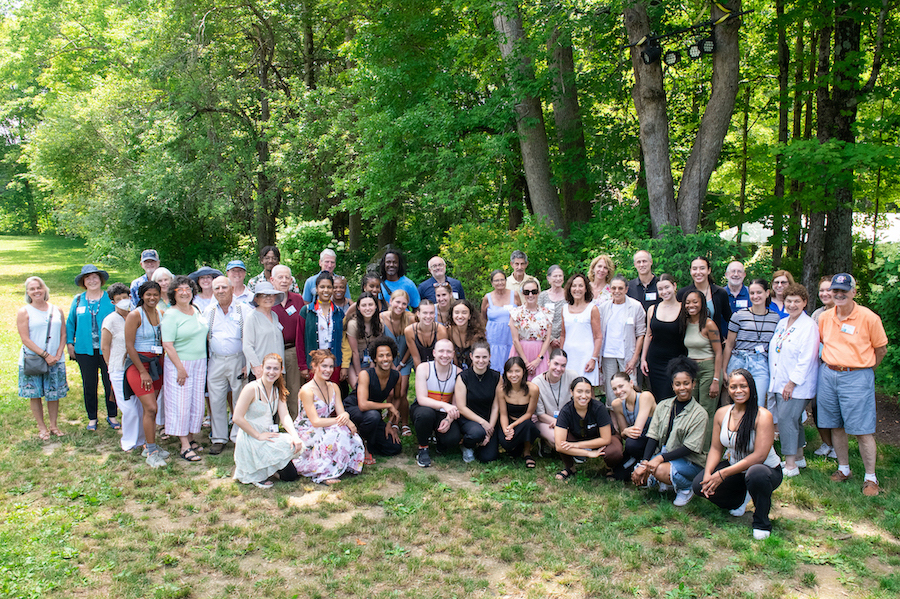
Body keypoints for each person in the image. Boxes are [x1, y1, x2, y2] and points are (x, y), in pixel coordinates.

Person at [817, 273, 887, 496]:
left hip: (857, 376)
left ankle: (870, 477)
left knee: (862, 429)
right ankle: (843, 468)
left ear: (854, 292)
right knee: (835, 424)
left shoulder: (869, 318)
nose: (838, 294)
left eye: (843, 291)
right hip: (828, 374)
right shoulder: (825, 317)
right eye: (835, 290)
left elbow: (881, 349)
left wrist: (865, 371)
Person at [692, 369, 781, 540]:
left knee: (756, 474)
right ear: (728, 388)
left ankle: (761, 521)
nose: (738, 391)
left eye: (743, 386)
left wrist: (722, 473)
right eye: (733, 387)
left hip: (765, 470)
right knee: (699, 486)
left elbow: (759, 456)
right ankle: (740, 499)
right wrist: (710, 474)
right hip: (736, 468)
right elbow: (716, 448)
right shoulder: (722, 413)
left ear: (751, 388)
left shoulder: (763, 416)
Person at [632, 357, 709, 507]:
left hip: (690, 461)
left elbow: (689, 448)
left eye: (686, 383)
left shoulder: (700, 414)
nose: (682, 388)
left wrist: (659, 459)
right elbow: (653, 436)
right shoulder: (663, 405)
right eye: (678, 384)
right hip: (666, 454)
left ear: (693, 384)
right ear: (672, 386)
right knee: (639, 474)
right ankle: (664, 481)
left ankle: (686, 488)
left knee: (658, 469)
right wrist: (644, 462)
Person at [768, 283, 819, 477]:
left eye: (797, 301)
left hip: (796, 385)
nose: (792, 305)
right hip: (780, 381)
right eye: (789, 301)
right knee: (794, 420)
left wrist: (791, 383)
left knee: (786, 420)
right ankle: (799, 457)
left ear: (804, 302)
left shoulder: (808, 326)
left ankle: (790, 465)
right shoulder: (783, 323)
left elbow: (807, 358)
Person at [232, 353, 304, 488]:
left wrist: (295, 436)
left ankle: (270, 469)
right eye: (268, 368)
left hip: (269, 436)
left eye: (275, 369)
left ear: (281, 370)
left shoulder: (278, 390)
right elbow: (237, 417)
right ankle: (260, 471)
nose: (271, 372)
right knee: (288, 471)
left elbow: (285, 416)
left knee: (291, 475)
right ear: (262, 368)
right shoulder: (251, 388)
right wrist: (258, 435)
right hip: (252, 437)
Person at [292, 349, 365, 484]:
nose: (328, 370)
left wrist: (346, 416)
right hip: (308, 430)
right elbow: (315, 421)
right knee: (339, 431)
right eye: (324, 366)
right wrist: (344, 421)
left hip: (326, 425)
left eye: (331, 366)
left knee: (347, 433)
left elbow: (341, 411)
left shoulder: (334, 387)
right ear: (314, 366)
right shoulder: (306, 391)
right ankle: (325, 473)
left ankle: (343, 465)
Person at [161, 276, 209, 462]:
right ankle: (184, 445)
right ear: (173, 293)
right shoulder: (171, 314)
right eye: (179, 289)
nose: (184, 292)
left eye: (187, 288)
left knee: (195, 402)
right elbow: (168, 344)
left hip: (199, 362)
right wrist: (180, 369)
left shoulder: (195, 310)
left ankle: (190, 436)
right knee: (180, 404)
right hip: (180, 363)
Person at [67, 264, 117, 431]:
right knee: (89, 384)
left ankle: (112, 415)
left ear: (100, 279)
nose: (92, 280)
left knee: (109, 382)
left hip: (108, 349)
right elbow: (70, 323)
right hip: (84, 349)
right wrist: (69, 343)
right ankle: (92, 418)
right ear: (84, 281)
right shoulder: (78, 299)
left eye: (95, 277)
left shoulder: (109, 299)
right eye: (88, 278)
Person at [18, 276, 68, 440]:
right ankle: (42, 427)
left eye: (38, 287)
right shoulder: (24, 312)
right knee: (35, 394)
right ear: (28, 292)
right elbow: (25, 339)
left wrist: (59, 354)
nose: (36, 291)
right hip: (34, 360)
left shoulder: (56, 310)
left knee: (54, 394)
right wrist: (45, 355)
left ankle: (54, 425)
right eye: (32, 289)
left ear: (44, 289)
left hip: (55, 359)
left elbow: (63, 334)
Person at [124, 281, 167, 468]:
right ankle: (151, 449)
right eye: (148, 294)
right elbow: (129, 346)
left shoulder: (161, 314)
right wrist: (142, 372)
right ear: (142, 295)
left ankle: (150, 444)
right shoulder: (135, 316)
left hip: (156, 364)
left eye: (155, 294)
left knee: (151, 407)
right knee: (151, 408)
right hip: (139, 365)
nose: (152, 298)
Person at [204, 276, 249, 455]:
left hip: (238, 359)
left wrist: (248, 363)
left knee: (240, 398)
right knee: (216, 399)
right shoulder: (209, 310)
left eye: (224, 287)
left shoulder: (243, 309)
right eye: (217, 288)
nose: (221, 291)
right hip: (215, 360)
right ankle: (218, 437)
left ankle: (238, 436)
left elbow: (249, 336)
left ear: (231, 288)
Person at [342, 336, 403, 463]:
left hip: (372, 414)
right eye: (381, 356)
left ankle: (356, 440)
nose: (385, 359)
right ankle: (363, 445)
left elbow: (397, 398)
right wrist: (387, 406)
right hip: (353, 409)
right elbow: (363, 405)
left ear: (393, 357)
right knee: (373, 416)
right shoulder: (366, 374)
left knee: (394, 447)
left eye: (388, 355)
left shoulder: (396, 376)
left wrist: (390, 423)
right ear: (374, 358)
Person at [722, 279, 780, 408]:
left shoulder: (775, 318)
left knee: (757, 403)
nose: (755, 296)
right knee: (737, 402)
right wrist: (724, 370)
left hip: (760, 363)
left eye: (759, 292)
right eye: (752, 293)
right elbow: (730, 344)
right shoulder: (738, 315)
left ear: (767, 293)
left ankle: (753, 428)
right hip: (739, 361)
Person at [101, 283, 144, 451]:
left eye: (125, 298)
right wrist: (111, 366)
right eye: (118, 299)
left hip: (137, 367)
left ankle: (141, 439)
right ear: (113, 302)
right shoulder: (110, 320)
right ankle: (129, 442)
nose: (123, 301)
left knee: (140, 406)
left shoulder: (136, 316)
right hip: (118, 368)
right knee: (129, 408)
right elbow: (105, 346)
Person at [554, 377, 621, 481]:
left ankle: (610, 468)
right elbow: (558, 446)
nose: (584, 396)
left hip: (602, 440)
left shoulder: (598, 408)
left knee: (614, 451)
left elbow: (606, 439)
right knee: (563, 442)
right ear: (572, 392)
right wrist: (588, 453)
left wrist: (576, 445)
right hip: (578, 437)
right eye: (579, 391)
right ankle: (570, 468)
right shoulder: (566, 410)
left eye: (587, 392)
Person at [681, 289, 723, 449]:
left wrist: (716, 379)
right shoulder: (686, 323)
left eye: (695, 302)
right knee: (693, 409)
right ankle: (692, 447)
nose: (691, 305)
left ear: (702, 303)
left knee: (706, 411)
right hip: (691, 370)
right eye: (688, 302)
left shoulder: (709, 324)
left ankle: (706, 450)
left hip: (708, 369)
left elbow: (719, 352)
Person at [410, 339, 462, 468]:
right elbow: (421, 399)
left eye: (449, 352)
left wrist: (449, 420)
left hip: (444, 412)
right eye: (441, 351)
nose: (445, 355)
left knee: (452, 438)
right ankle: (423, 447)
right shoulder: (424, 368)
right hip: (424, 408)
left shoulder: (458, 373)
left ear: (453, 354)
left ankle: (439, 440)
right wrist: (444, 405)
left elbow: (456, 404)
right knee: (425, 415)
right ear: (434, 353)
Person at [598, 276, 646, 401]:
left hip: (627, 356)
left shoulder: (635, 306)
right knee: (611, 393)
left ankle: (634, 419)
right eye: (614, 288)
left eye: (620, 288)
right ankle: (615, 420)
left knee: (631, 389)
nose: (617, 291)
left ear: (626, 289)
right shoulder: (604, 308)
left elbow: (641, 334)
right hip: (608, 355)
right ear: (610, 289)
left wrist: (635, 358)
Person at [641, 274, 686, 402]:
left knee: (672, 395)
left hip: (676, 360)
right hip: (655, 361)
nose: (664, 291)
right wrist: (643, 358)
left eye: (667, 287)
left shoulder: (684, 309)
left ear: (674, 286)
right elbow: (648, 336)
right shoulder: (652, 309)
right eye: (660, 289)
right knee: (658, 396)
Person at [455, 341, 501, 464]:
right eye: (477, 357)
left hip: (489, 418)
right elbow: (461, 407)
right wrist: (483, 423)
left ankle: (481, 443)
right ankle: (466, 445)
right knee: (477, 433)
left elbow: (496, 406)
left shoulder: (497, 377)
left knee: (488, 457)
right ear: (471, 356)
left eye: (484, 357)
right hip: (469, 418)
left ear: (490, 357)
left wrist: (490, 429)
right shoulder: (463, 377)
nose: (481, 360)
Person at [298, 272, 348, 384]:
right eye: (322, 287)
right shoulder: (306, 311)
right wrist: (302, 366)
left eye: (329, 287)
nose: (326, 290)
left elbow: (344, 341)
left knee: (332, 394)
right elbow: (300, 340)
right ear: (316, 289)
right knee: (315, 394)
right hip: (314, 361)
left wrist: (344, 366)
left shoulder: (338, 312)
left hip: (334, 361)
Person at [271, 265, 305, 418]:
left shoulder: (297, 300)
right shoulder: (267, 300)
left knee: (293, 388)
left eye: (287, 278)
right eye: (280, 277)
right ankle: (274, 424)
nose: (284, 281)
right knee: (273, 388)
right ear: (272, 280)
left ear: (291, 281)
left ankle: (295, 424)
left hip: (292, 350)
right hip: (271, 352)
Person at [380, 289, 414, 433]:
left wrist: (400, 364)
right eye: (397, 302)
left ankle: (404, 422)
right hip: (387, 360)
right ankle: (393, 420)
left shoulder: (410, 319)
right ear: (390, 302)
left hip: (405, 359)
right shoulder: (381, 317)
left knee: (402, 392)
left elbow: (412, 345)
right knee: (390, 393)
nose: (400, 306)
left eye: (404, 304)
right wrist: (391, 364)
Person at [559, 273, 602, 388]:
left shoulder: (592, 309)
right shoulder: (564, 309)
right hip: (569, 357)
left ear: (586, 289)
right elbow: (563, 335)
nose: (577, 289)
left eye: (580, 286)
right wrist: (561, 355)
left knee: (586, 389)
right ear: (569, 288)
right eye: (574, 286)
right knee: (568, 389)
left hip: (586, 357)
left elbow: (598, 337)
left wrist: (593, 358)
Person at [497, 356, 540, 468]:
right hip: (508, 421)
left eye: (517, 371)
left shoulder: (533, 389)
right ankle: (515, 449)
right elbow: (503, 414)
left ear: (523, 372)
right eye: (510, 371)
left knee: (528, 425)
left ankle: (527, 453)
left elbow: (529, 414)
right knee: (506, 443)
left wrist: (513, 426)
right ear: (505, 373)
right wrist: (507, 430)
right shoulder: (502, 389)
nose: (514, 375)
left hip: (524, 423)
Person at [810, 276, 836, 458]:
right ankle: (827, 443)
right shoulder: (817, 314)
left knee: (835, 408)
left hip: (836, 367)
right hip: (818, 367)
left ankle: (837, 446)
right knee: (817, 407)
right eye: (822, 290)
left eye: (829, 290)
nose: (825, 294)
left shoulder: (843, 313)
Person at [675, 256, 732, 341]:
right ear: (690, 271)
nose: (698, 272)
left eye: (702, 268)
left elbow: (730, 319)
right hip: (689, 344)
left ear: (709, 270)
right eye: (694, 269)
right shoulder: (683, 294)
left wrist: (730, 340)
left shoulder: (720, 293)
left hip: (714, 343)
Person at [609, 371, 656, 473]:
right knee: (618, 474)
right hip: (638, 442)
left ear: (631, 383)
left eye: (621, 386)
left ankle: (645, 462)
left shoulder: (645, 396)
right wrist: (625, 432)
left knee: (631, 444)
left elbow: (637, 431)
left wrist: (626, 431)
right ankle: (634, 463)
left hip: (654, 440)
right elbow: (624, 434)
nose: (618, 391)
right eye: (614, 389)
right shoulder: (617, 404)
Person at [533, 349, 578, 452]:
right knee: (557, 439)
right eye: (556, 364)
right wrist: (558, 423)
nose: (559, 368)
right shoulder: (537, 382)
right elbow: (540, 414)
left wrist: (565, 423)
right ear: (548, 362)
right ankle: (546, 441)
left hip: (568, 420)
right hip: (546, 421)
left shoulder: (572, 376)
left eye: (563, 365)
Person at [509, 277, 553, 381]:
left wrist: (538, 360)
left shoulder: (547, 313)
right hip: (521, 352)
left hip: (540, 353)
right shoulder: (515, 313)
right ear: (522, 293)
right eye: (526, 292)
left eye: (534, 292)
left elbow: (547, 339)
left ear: (538, 293)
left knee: (541, 384)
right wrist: (525, 362)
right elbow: (515, 339)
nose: (530, 295)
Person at [242, 281, 285, 381]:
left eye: (271, 295)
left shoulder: (274, 316)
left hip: (275, 369)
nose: (268, 298)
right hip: (260, 371)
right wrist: (257, 368)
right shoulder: (251, 317)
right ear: (256, 299)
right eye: (264, 295)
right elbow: (247, 346)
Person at [347, 292, 384, 388]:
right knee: (357, 386)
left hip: (372, 359)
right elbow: (354, 351)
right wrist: (359, 374)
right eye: (364, 305)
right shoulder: (352, 324)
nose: (367, 308)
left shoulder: (379, 324)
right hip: (355, 360)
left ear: (376, 306)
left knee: (371, 385)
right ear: (358, 308)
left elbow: (376, 349)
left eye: (370, 305)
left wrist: (372, 370)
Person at [481, 269, 516, 371]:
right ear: (492, 283)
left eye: (502, 280)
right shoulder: (487, 298)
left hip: (510, 338)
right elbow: (483, 318)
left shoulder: (515, 295)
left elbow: (521, 316)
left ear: (506, 281)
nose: (500, 282)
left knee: (511, 366)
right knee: (494, 367)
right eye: (496, 280)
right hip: (493, 339)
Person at [404, 299, 448, 368]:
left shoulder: (441, 330)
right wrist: (421, 374)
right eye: (425, 313)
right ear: (418, 314)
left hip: (439, 366)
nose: (428, 316)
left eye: (431, 313)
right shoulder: (409, 331)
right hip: (420, 366)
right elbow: (416, 357)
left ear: (435, 314)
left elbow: (441, 356)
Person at [448, 298, 485, 370]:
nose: (460, 316)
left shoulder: (477, 333)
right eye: (456, 312)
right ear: (452, 315)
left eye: (464, 313)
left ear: (470, 316)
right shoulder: (448, 331)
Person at [538, 265, 566, 350]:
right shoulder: (542, 296)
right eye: (555, 276)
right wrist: (551, 339)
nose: (558, 278)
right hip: (546, 341)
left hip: (565, 339)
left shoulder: (569, 295)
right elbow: (539, 319)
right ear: (548, 278)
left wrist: (561, 338)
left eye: (560, 276)